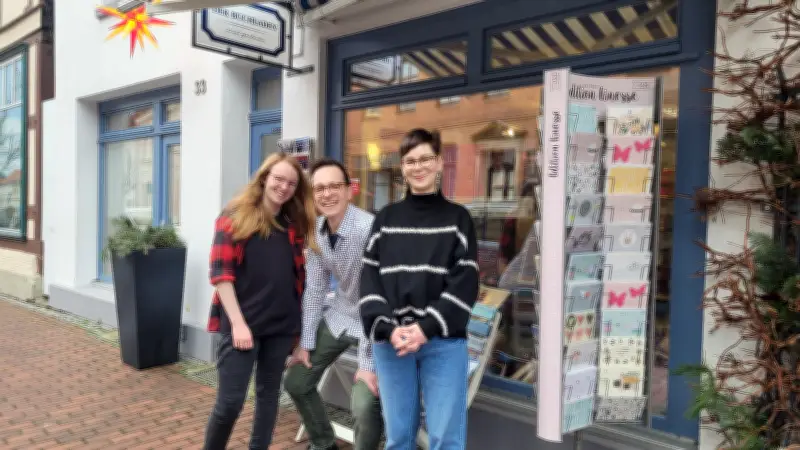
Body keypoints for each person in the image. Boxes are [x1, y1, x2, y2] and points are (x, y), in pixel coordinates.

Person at [359, 128, 480, 450]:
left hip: (442, 342)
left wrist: (426, 328)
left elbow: (465, 282)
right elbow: (369, 280)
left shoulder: (458, 219)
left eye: (426, 159)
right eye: (411, 161)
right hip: (394, 343)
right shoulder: (385, 219)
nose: (418, 167)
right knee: (398, 438)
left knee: (446, 440)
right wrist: (388, 328)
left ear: (439, 162)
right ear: (402, 167)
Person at [203, 152, 318, 450]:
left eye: (291, 183)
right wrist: (238, 324)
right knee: (230, 403)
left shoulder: (293, 223)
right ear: (265, 178)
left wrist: (298, 331)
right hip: (243, 326)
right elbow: (221, 274)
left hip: (280, 326)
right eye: (279, 179)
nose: (284, 187)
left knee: (268, 400)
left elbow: (297, 276)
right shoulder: (234, 216)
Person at [284, 158, 383, 450]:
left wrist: (368, 366)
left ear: (349, 190)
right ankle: (324, 444)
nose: (327, 194)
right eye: (319, 188)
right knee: (296, 381)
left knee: (364, 403)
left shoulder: (368, 229)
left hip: (376, 322)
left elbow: (379, 300)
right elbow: (315, 290)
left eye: (334, 186)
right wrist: (306, 343)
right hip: (342, 314)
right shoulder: (316, 230)